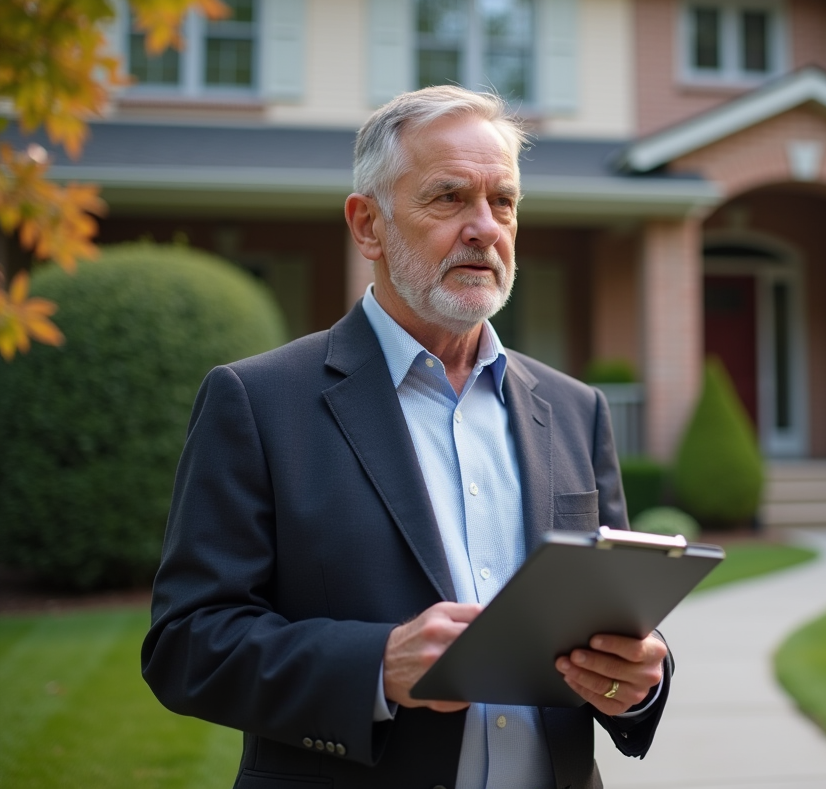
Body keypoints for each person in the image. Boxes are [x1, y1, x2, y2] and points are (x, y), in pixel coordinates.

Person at [141, 86, 672, 789]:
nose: (485, 228)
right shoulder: (259, 401)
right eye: (449, 197)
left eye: (503, 201)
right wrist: (378, 666)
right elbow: (187, 645)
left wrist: (642, 677)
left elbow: (614, 623)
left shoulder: (575, 409)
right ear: (368, 227)